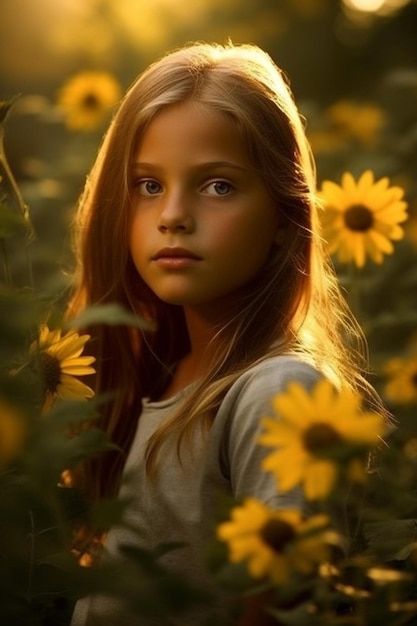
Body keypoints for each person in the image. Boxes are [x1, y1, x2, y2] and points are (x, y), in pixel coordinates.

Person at [67, 41, 380, 626]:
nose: (173, 215)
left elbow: (286, 607)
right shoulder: (156, 380)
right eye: (148, 185)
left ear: (287, 223)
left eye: (218, 186)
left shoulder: (277, 391)